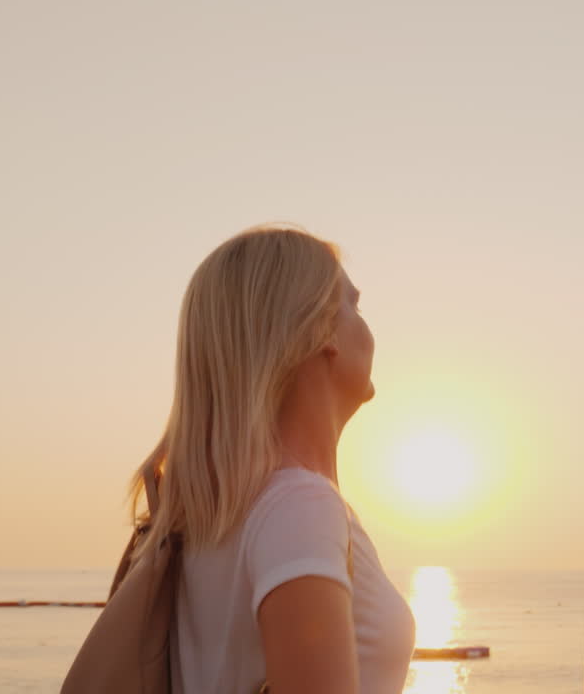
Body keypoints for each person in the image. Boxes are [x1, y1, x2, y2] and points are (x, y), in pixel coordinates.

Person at [127, 225, 415, 694]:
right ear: (322, 330)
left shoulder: (212, 517)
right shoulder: (298, 506)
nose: (368, 329)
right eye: (353, 306)